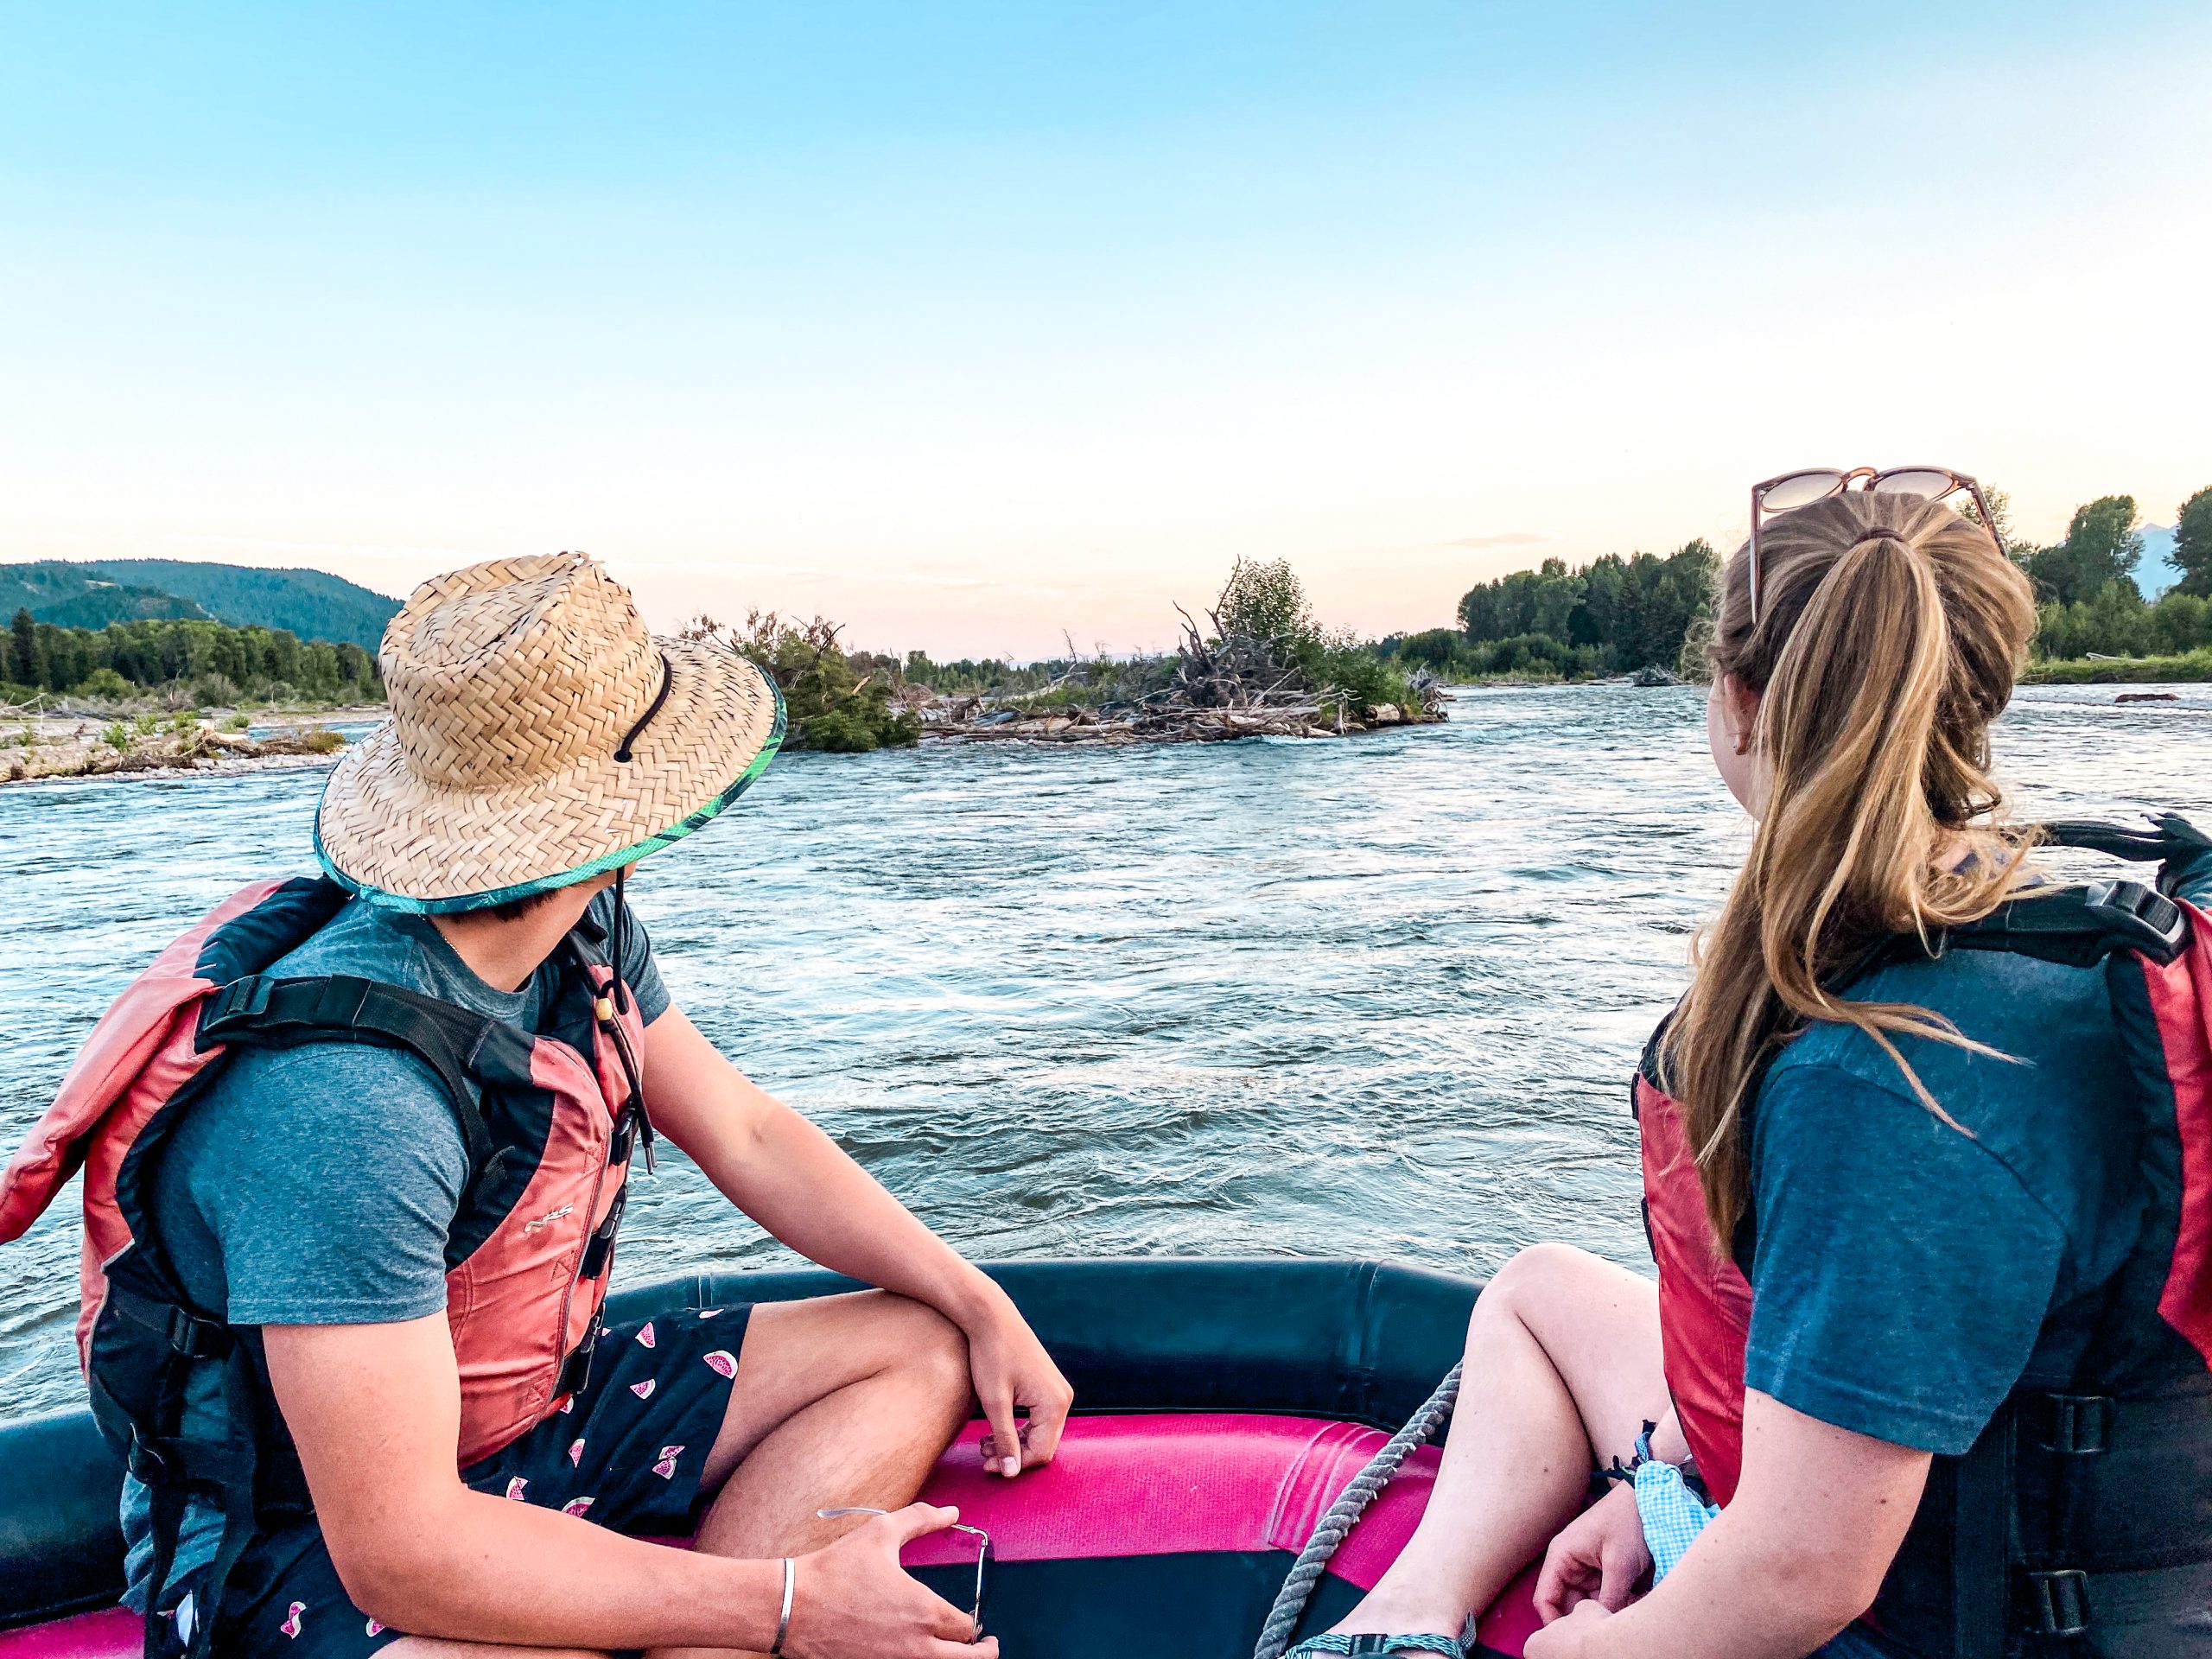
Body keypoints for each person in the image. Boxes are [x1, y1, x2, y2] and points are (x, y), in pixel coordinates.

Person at [20, 552, 1071, 1659]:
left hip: (531, 1423)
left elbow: (748, 1132)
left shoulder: (582, 936)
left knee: (917, 1339)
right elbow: (400, 1547)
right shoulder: (349, 1101)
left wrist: (981, 1301)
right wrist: (787, 1609)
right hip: (302, 1544)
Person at [1287, 473, 2212, 1658]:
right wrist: (1660, 1469)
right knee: (1536, 1287)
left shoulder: (1882, 1069)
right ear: (1979, 694)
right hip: (2060, 1490)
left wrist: (1592, 1651)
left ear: (1734, 698)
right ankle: (1411, 1615)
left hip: (1944, 1619)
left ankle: (1401, 1625)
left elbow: (1799, 1572)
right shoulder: (2070, 930)